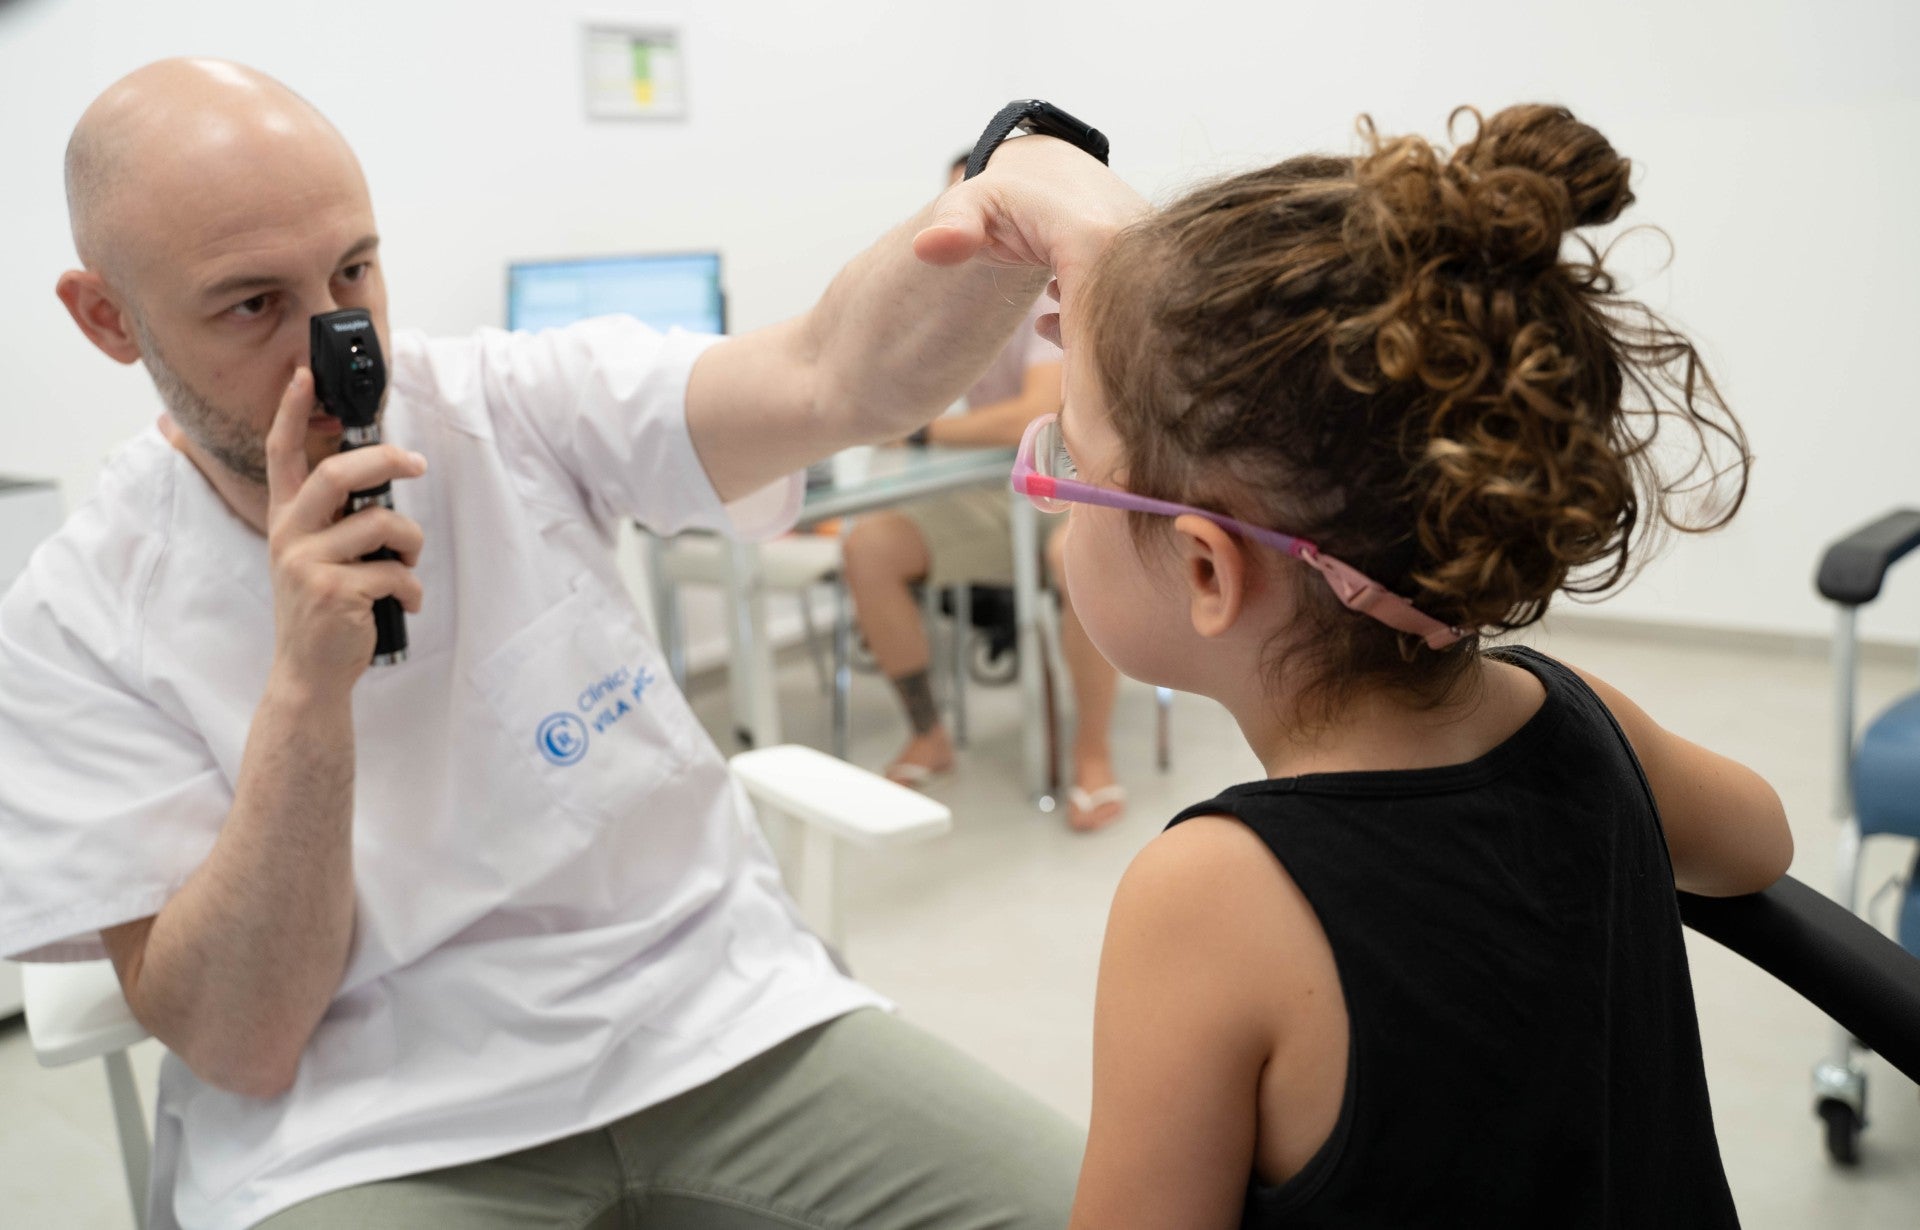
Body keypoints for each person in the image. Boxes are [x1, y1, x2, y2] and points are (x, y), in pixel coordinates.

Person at [0, 58, 1143, 1229]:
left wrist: (1018, 180)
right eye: (252, 305)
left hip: (714, 1026)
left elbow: (825, 375)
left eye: (354, 269)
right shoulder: (76, 622)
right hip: (366, 1131)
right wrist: (305, 691)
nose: (339, 347)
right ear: (106, 318)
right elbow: (239, 1041)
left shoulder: (507, 409)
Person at [1021, 105, 1793, 1226]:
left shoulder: (1209, 898)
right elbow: (1759, 844)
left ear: (1206, 571)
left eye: (1069, 464)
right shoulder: (1580, 718)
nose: (1051, 499)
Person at [840, 155, 1124, 829]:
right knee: (870, 546)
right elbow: (895, 390)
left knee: (1070, 562)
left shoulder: (1057, 289)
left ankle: (1091, 753)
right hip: (997, 495)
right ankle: (929, 734)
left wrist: (917, 433)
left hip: (1077, 488)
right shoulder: (954, 301)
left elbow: (1024, 414)